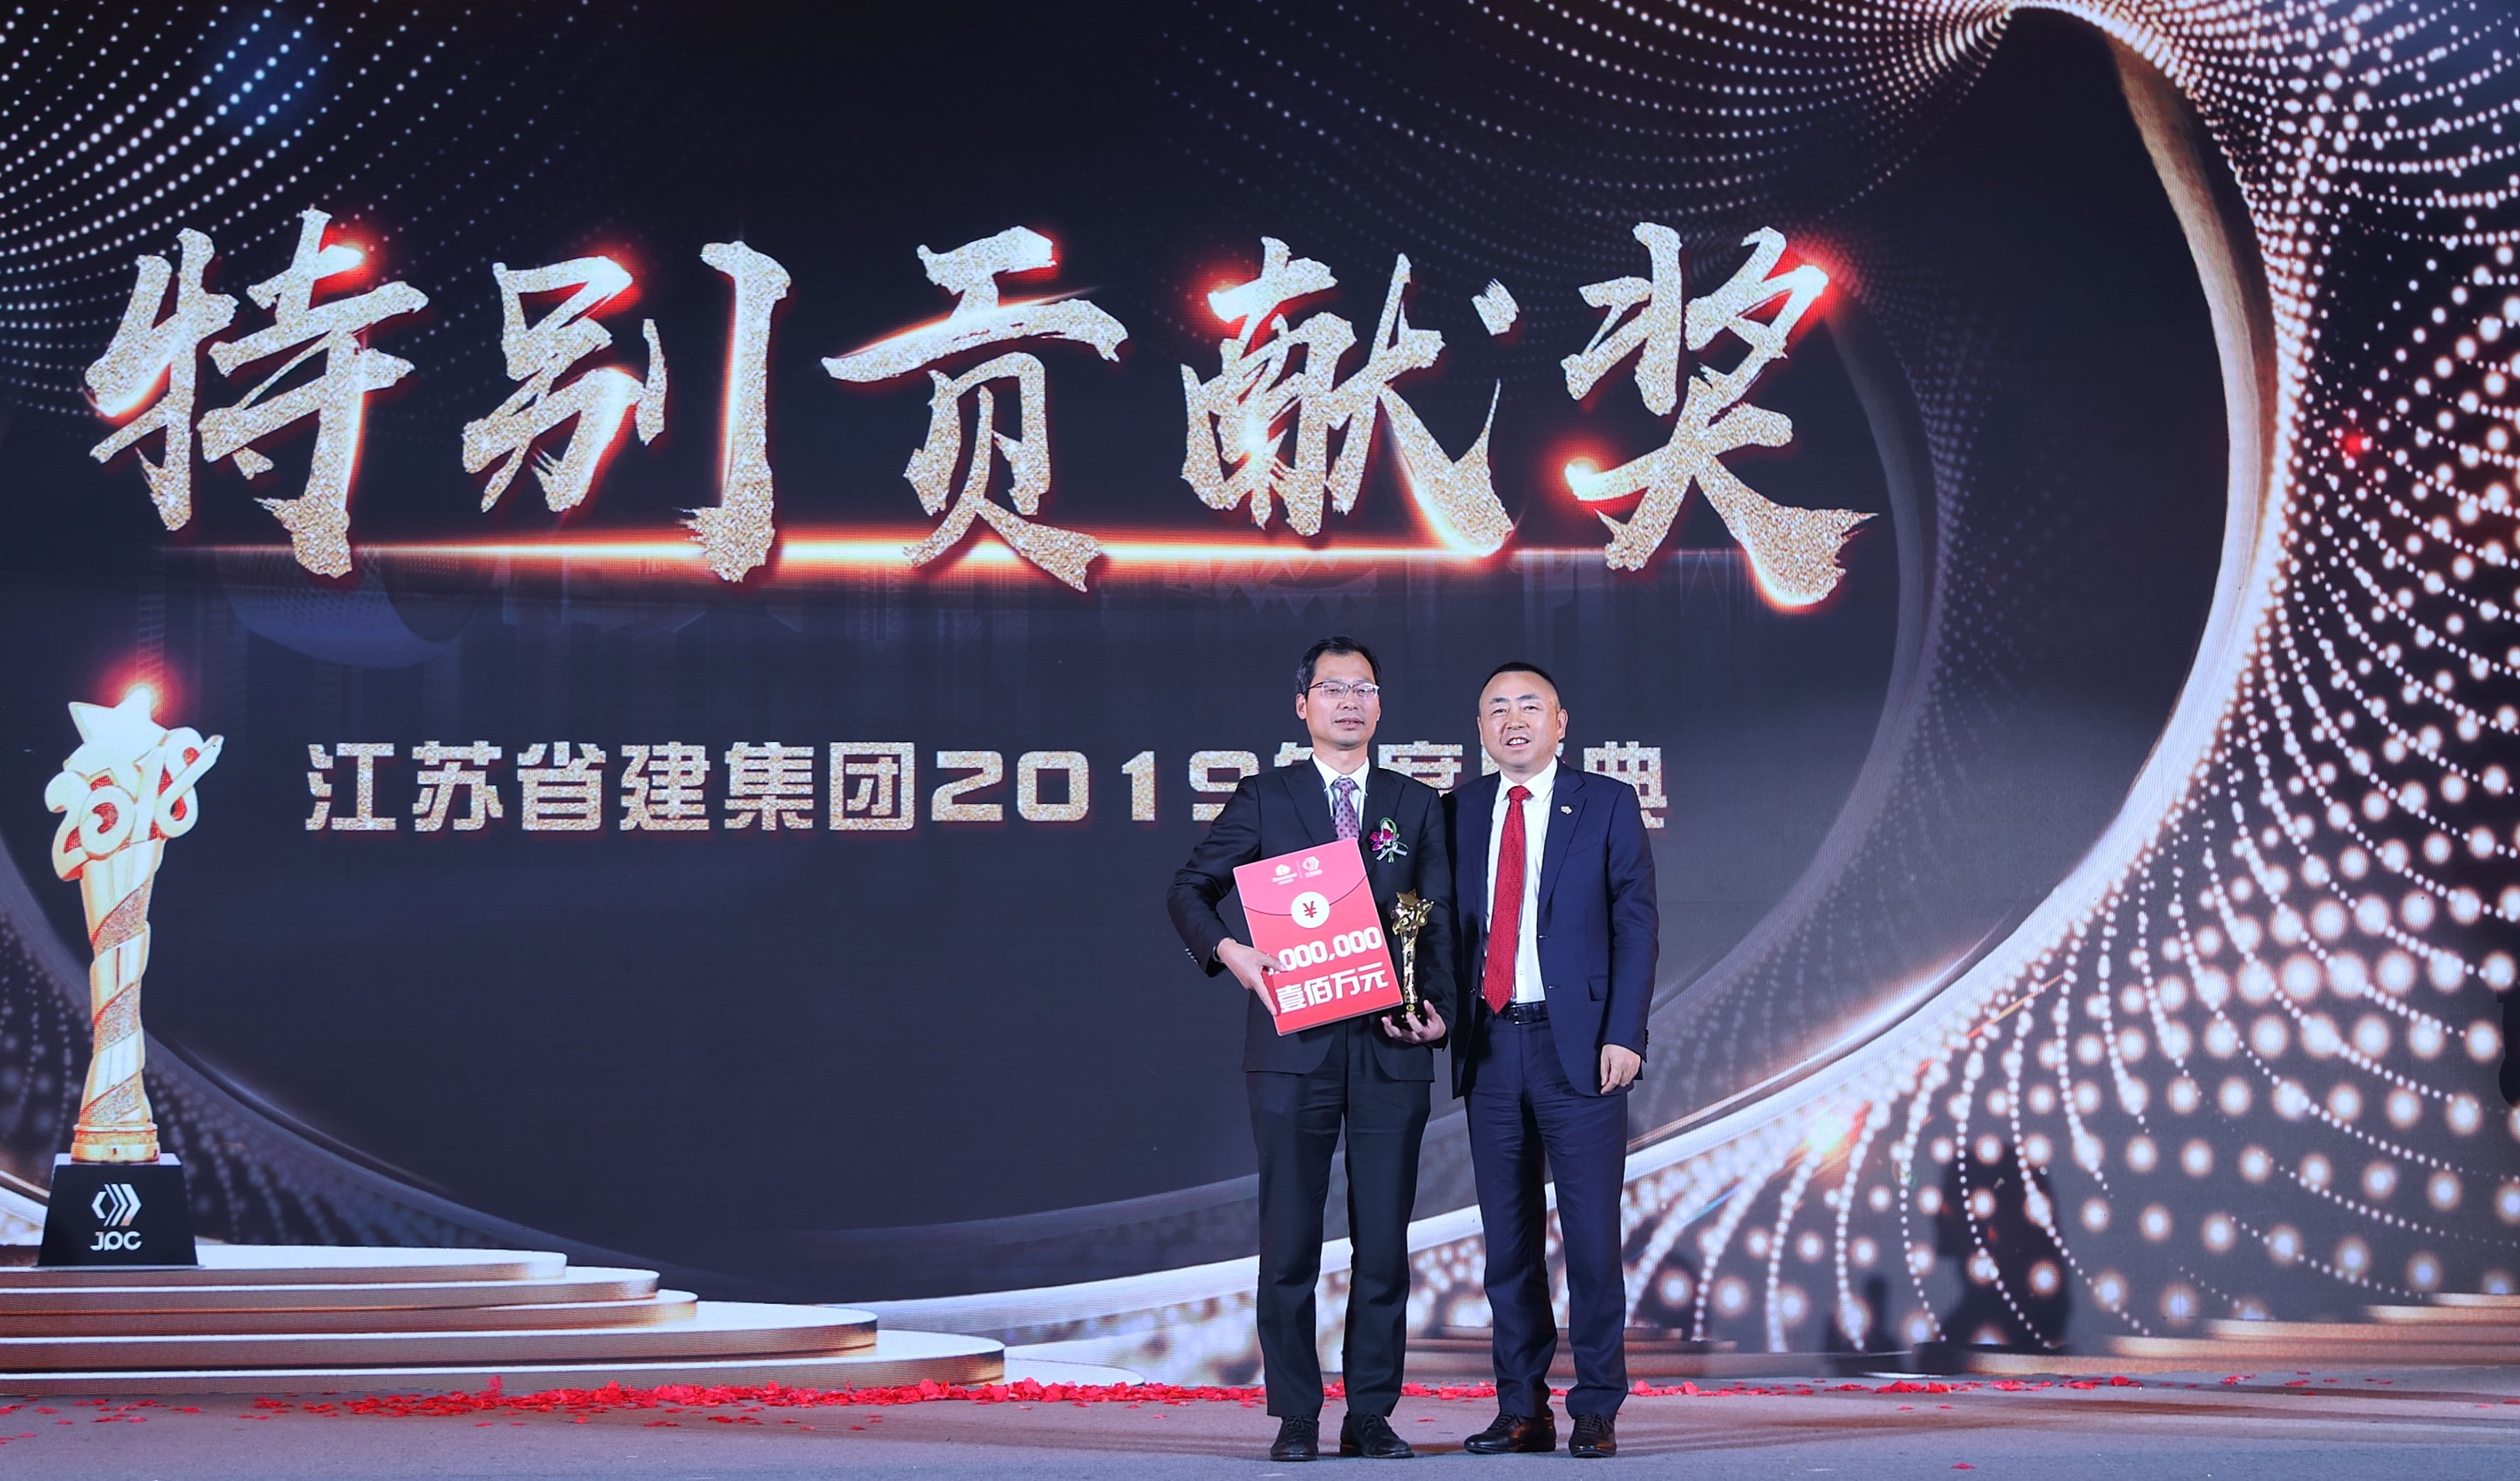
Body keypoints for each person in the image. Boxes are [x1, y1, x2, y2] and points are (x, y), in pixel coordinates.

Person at [1168, 636, 1455, 1462]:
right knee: (1290, 1238)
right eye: (1333, 688)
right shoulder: (1267, 796)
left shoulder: (1414, 802)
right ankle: (1296, 1412)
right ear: (1303, 706)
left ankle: (1371, 1413)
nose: (1350, 701)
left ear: (1380, 706)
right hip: (1292, 1045)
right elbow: (1188, 890)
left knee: (1385, 1242)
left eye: (1364, 688)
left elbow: (1437, 918)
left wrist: (1438, 1011)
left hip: (1392, 1046)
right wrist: (1232, 953)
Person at [1445, 662, 1655, 1460]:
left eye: (1529, 706)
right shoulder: (1459, 810)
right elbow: (1436, 927)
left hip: (1583, 1048)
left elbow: (1637, 924)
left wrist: (1625, 1033)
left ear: (1560, 722)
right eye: (1496, 708)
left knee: (1592, 1241)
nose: (1514, 719)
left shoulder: (1606, 802)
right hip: (1492, 1045)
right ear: (1480, 729)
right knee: (1508, 1246)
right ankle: (1521, 1409)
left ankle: (1596, 1405)